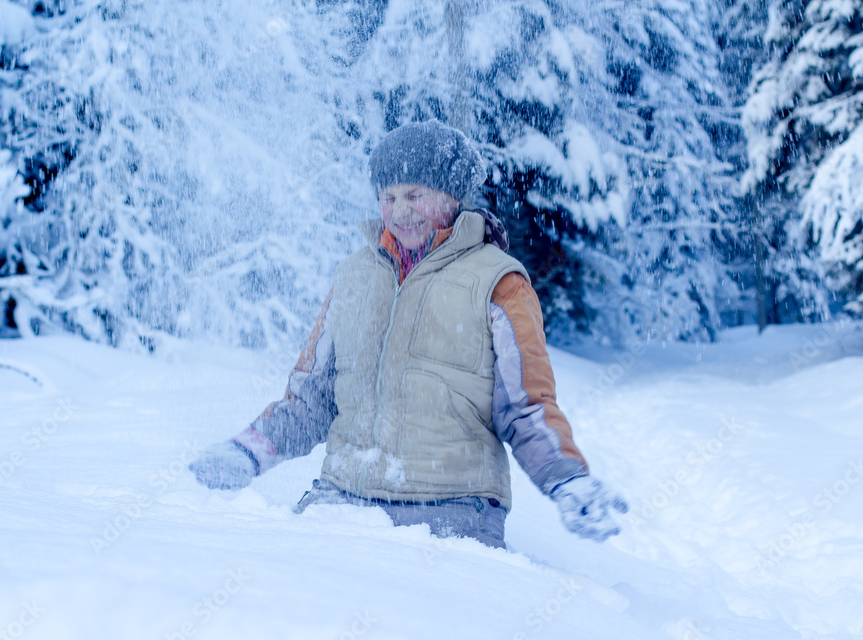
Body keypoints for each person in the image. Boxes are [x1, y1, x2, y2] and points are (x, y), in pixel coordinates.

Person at [189, 119, 627, 549]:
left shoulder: (499, 283)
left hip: (452, 512)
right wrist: (247, 452)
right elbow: (311, 400)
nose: (400, 209)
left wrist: (567, 480)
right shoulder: (354, 277)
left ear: (452, 197)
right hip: (342, 498)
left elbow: (526, 407)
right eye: (389, 196)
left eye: (415, 195)